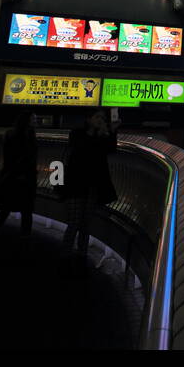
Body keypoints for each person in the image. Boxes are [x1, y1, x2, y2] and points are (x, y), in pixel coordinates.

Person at [60, 110, 118, 257]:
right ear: (88, 119)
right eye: (97, 117)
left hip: (92, 185)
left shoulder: (101, 136)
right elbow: (82, 148)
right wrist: (100, 133)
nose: (100, 120)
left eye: (103, 118)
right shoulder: (77, 134)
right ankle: (65, 254)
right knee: (74, 222)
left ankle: (81, 255)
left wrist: (112, 131)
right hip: (75, 183)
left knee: (85, 224)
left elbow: (111, 149)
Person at [0, 114, 39, 237]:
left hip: (12, 177)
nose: (36, 121)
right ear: (27, 121)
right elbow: (29, 157)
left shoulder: (11, 134)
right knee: (26, 212)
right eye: (33, 119)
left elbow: (9, 158)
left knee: (6, 209)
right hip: (25, 178)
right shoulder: (29, 136)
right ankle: (25, 238)